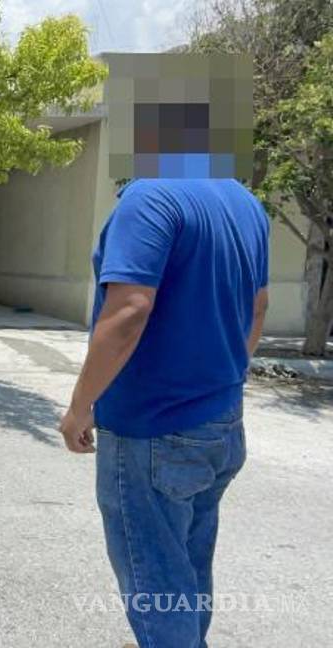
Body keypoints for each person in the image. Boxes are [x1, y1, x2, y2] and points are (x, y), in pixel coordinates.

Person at [59, 178, 269, 647]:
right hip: (221, 422)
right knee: (188, 570)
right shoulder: (243, 202)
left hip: (152, 426)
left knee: (156, 582)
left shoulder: (149, 199)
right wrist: (225, 378)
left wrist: (80, 406)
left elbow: (130, 310)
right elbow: (258, 308)